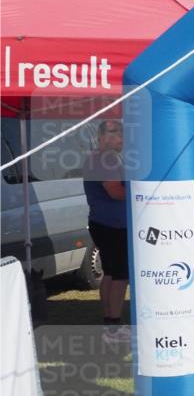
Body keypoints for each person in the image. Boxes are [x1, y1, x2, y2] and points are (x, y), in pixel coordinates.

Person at [83, 120, 130, 344]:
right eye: (113, 132)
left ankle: (109, 323)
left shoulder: (99, 157)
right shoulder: (106, 159)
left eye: (121, 131)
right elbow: (115, 192)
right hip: (112, 225)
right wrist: (140, 191)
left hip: (103, 222)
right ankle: (113, 327)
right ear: (101, 137)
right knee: (120, 276)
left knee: (110, 273)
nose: (120, 136)